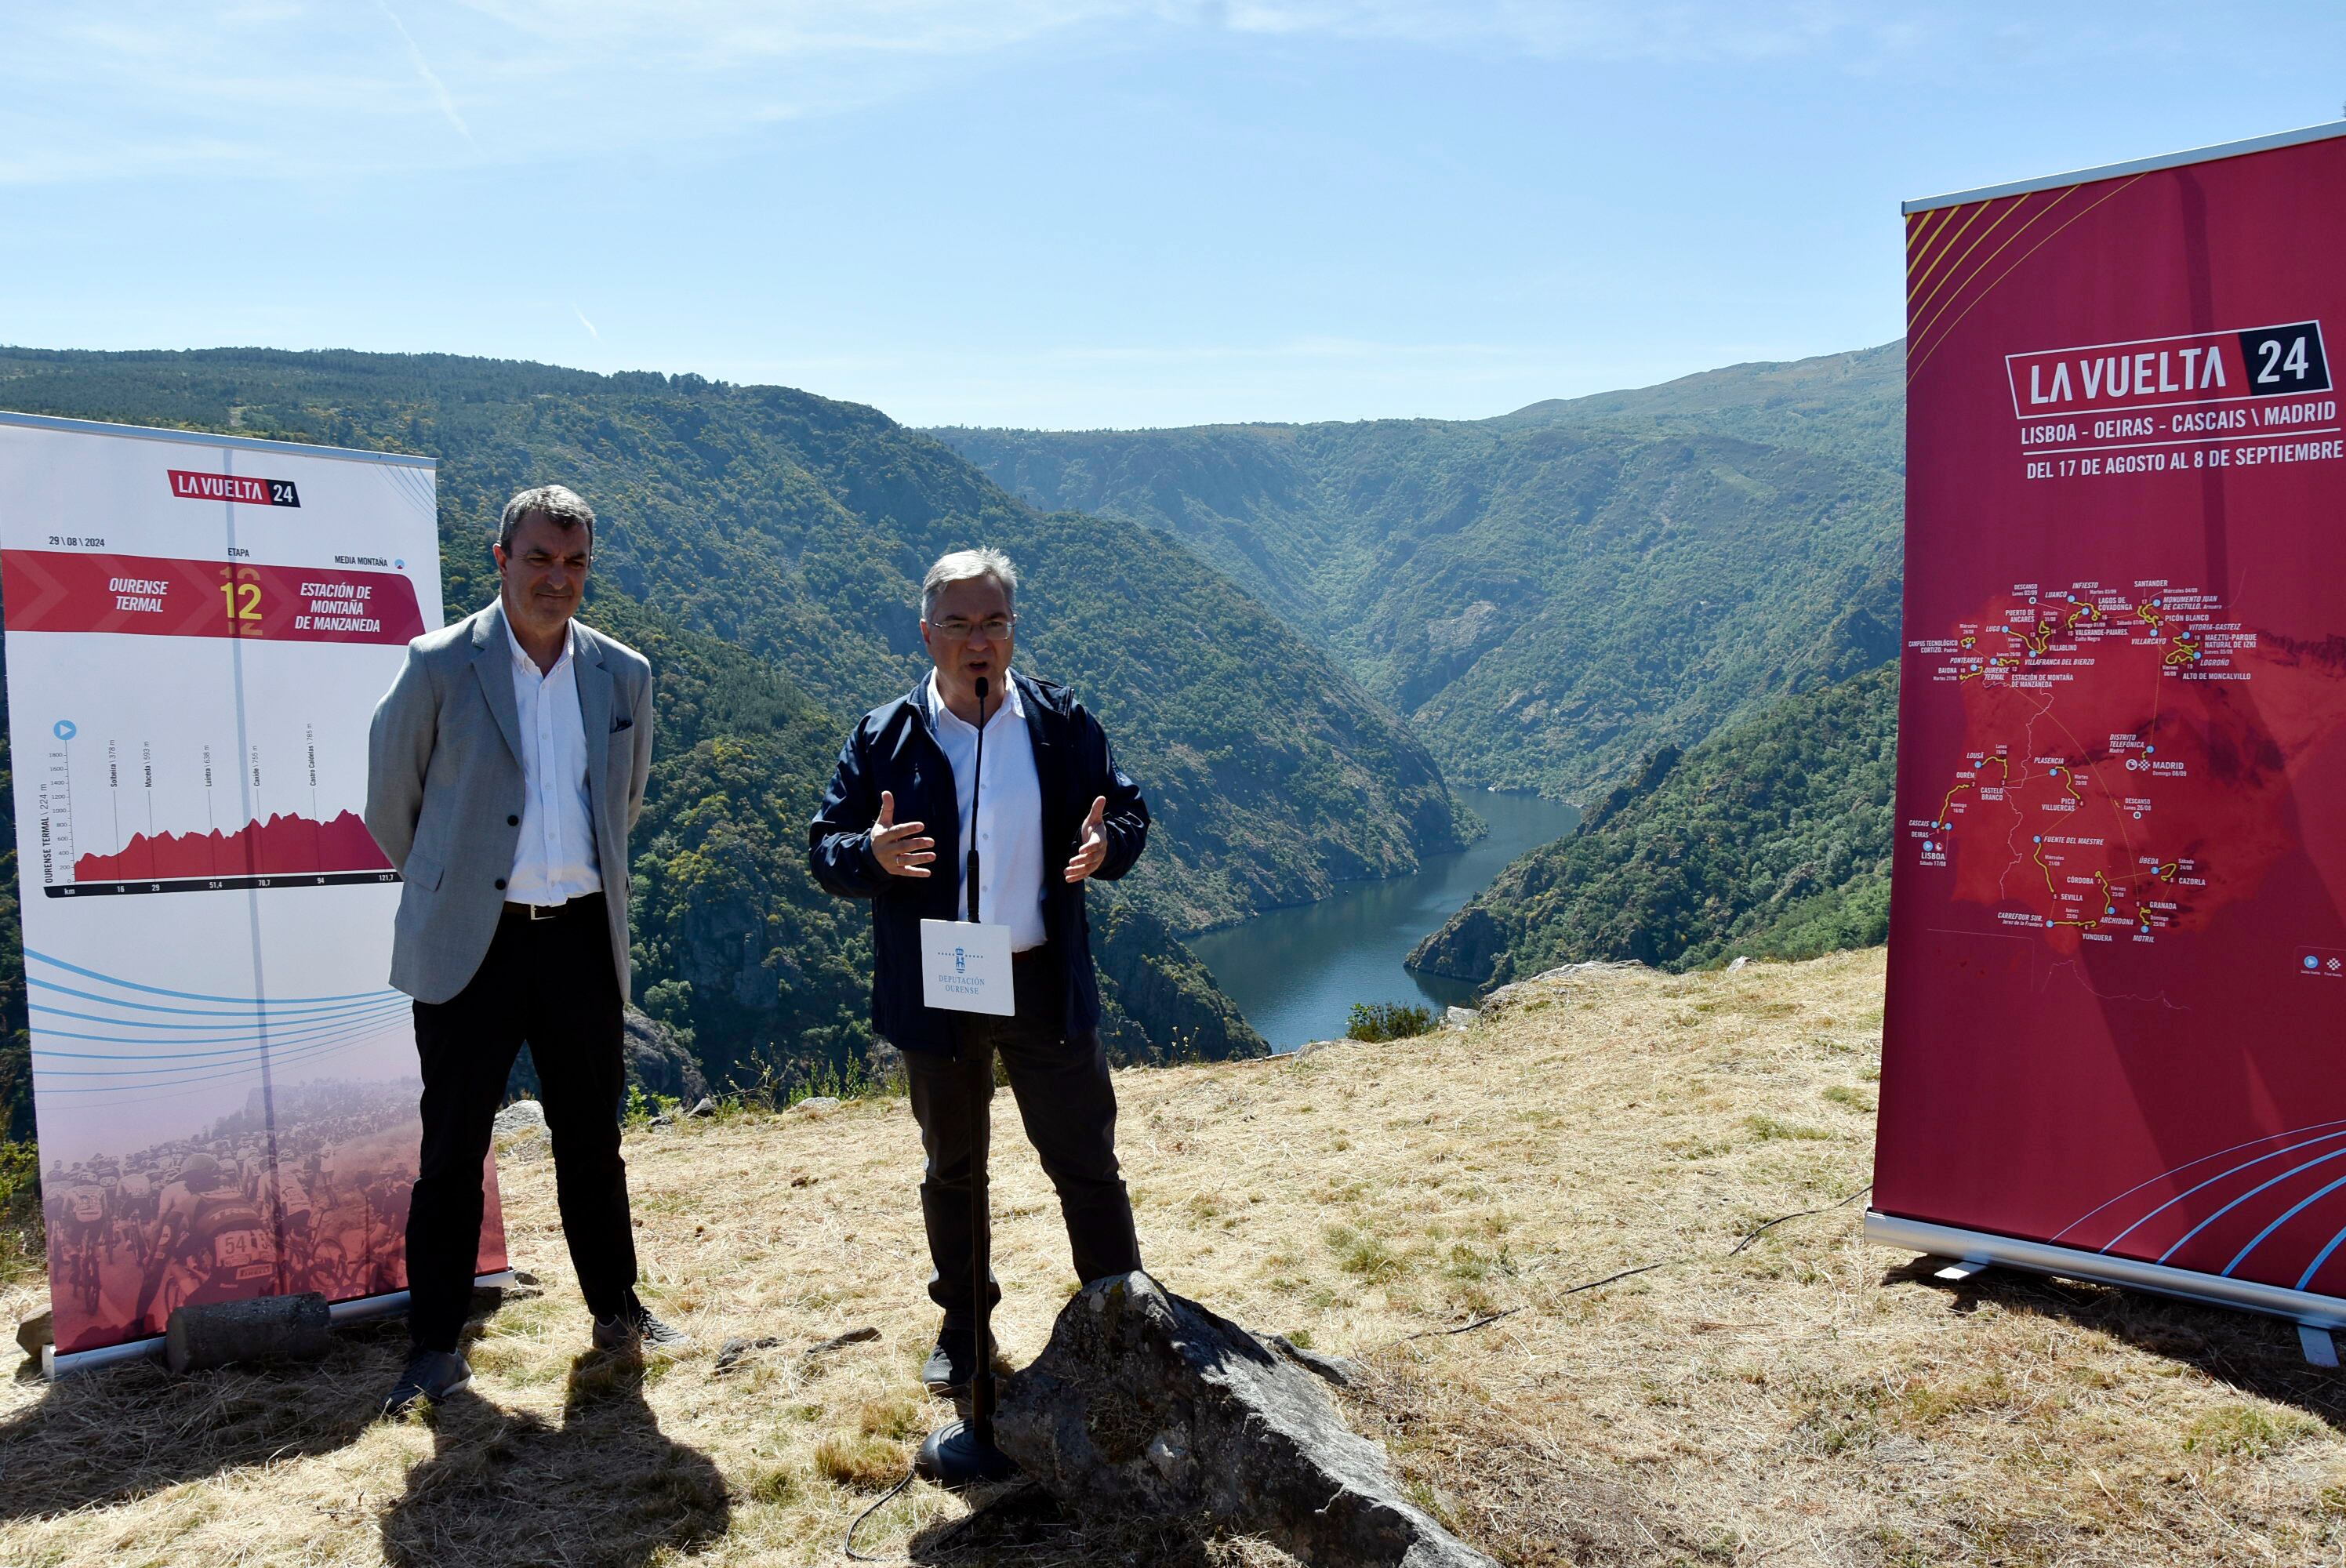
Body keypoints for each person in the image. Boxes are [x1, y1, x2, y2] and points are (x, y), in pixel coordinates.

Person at [365, 482, 683, 1417]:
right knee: (451, 1148)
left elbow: (620, 806)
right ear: (499, 559)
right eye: (539, 557)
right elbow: (394, 806)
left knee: (594, 1140)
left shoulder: (623, 673)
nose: (558, 577)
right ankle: (432, 1344)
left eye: (575, 561)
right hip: (475, 940)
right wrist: (457, 882)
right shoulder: (434, 666)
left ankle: (616, 1309)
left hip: (581, 935)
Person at [808, 546, 1150, 1395]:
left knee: (1085, 1160)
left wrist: (1109, 846)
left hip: (1040, 977)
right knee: (953, 1169)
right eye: (958, 623)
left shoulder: (1059, 722)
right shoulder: (885, 735)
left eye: (993, 622)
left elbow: (1130, 809)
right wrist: (871, 853)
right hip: (942, 983)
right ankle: (964, 1327)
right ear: (927, 634)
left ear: (1012, 631)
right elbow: (824, 848)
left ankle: (1122, 1314)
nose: (978, 640)